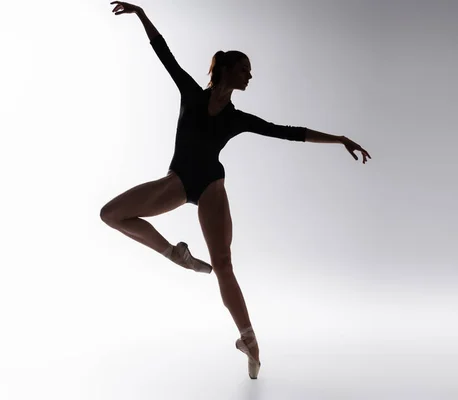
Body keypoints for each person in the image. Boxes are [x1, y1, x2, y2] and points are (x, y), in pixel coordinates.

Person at [102, 2, 372, 379]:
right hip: (177, 181)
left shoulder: (236, 118)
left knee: (224, 265)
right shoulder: (192, 95)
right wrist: (142, 14)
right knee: (111, 214)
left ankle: (249, 340)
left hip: (211, 185)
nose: (250, 76)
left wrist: (340, 139)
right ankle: (174, 254)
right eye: (245, 69)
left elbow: (289, 132)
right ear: (227, 69)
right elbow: (164, 53)